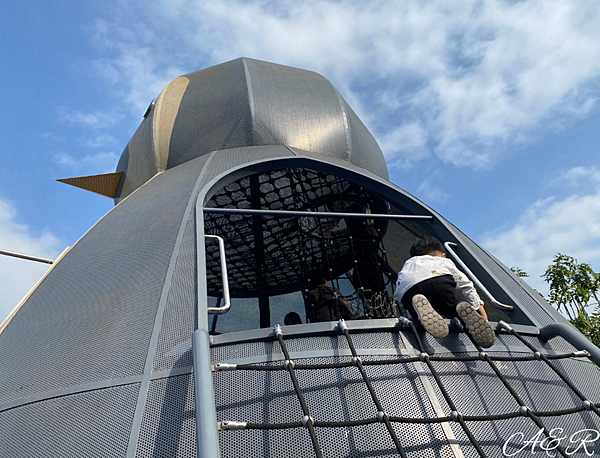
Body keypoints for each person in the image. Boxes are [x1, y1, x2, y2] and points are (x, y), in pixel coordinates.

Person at [394, 236, 495, 348]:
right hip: (437, 281)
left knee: (416, 310)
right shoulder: (442, 260)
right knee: (451, 306)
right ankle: (459, 312)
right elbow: (464, 284)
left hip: (407, 291)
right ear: (442, 254)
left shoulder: (408, 264)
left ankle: (419, 317)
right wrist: (480, 311)